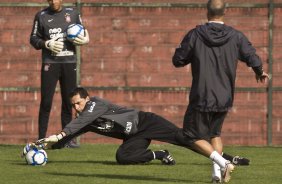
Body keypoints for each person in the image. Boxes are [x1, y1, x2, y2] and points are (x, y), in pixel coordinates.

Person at [23, 87, 250, 169]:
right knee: (123, 156)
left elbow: (75, 125)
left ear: (87, 99)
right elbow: (68, 137)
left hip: (146, 122)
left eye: (78, 102)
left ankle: (226, 159)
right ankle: (159, 154)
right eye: (73, 105)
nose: (77, 108)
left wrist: (62, 132)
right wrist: (44, 146)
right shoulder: (85, 119)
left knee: (185, 138)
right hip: (134, 136)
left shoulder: (95, 104)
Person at [172, 0, 269, 183]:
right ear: (225, 12)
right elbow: (251, 56)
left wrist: (186, 52)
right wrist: (259, 71)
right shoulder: (236, 36)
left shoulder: (195, 34)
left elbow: (178, 60)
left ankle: (224, 164)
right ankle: (216, 175)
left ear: (207, 11)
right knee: (214, 134)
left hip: (202, 94)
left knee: (188, 136)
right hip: (224, 96)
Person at [29, 0, 89, 147]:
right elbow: (33, 38)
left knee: (69, 103)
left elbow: (83, 31)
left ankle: (67, 139)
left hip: (69, 63)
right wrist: (46, 44)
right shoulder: (41, 15)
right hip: (50, 63)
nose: (54, 1)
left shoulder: (73, 14)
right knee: (46, 102)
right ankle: (41, 140)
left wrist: (86, 38)